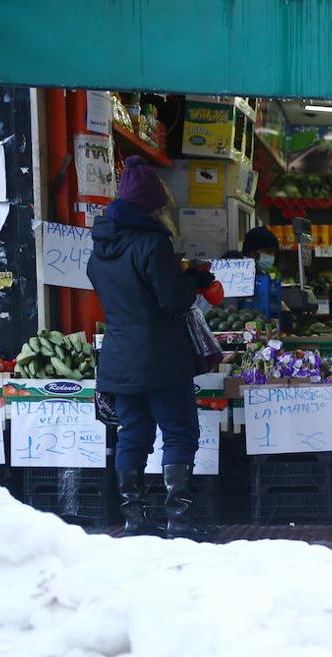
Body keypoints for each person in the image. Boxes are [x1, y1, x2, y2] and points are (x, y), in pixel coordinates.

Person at [87, 156, 213, 540]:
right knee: (178, 432)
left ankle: (135, 519)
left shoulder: (99, 249)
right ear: (151, 206)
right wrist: (194, 278)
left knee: (133, 434)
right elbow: (172, 301)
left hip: (119, 356)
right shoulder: (152, 243)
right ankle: (178, 519)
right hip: (160, 356)